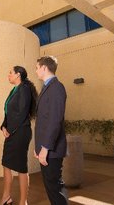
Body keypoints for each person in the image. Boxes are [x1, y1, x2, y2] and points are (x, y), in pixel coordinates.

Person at [0, 66, 38, 205]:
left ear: (18, 75)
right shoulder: (14, 90)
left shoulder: (24, 89)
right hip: (11, 132)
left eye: (10, 72)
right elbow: (8, 112)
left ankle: (23, 201)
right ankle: (6, 197)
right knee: (6, 163)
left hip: (21, 132)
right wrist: (3, 126)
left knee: (21, 167)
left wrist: (10, 129)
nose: (8, 74)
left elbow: (22, 113)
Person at [34, 55, 68, 205]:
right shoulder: (48, 87)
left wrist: (45, 148)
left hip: (52, 149)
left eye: (36, 68)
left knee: (55, 189)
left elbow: (55, 120)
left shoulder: (56, 87)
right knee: (51, 187)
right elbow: (44, 120)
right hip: (46, 147)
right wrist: (39, 146)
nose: (35, 71)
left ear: (44, 68)